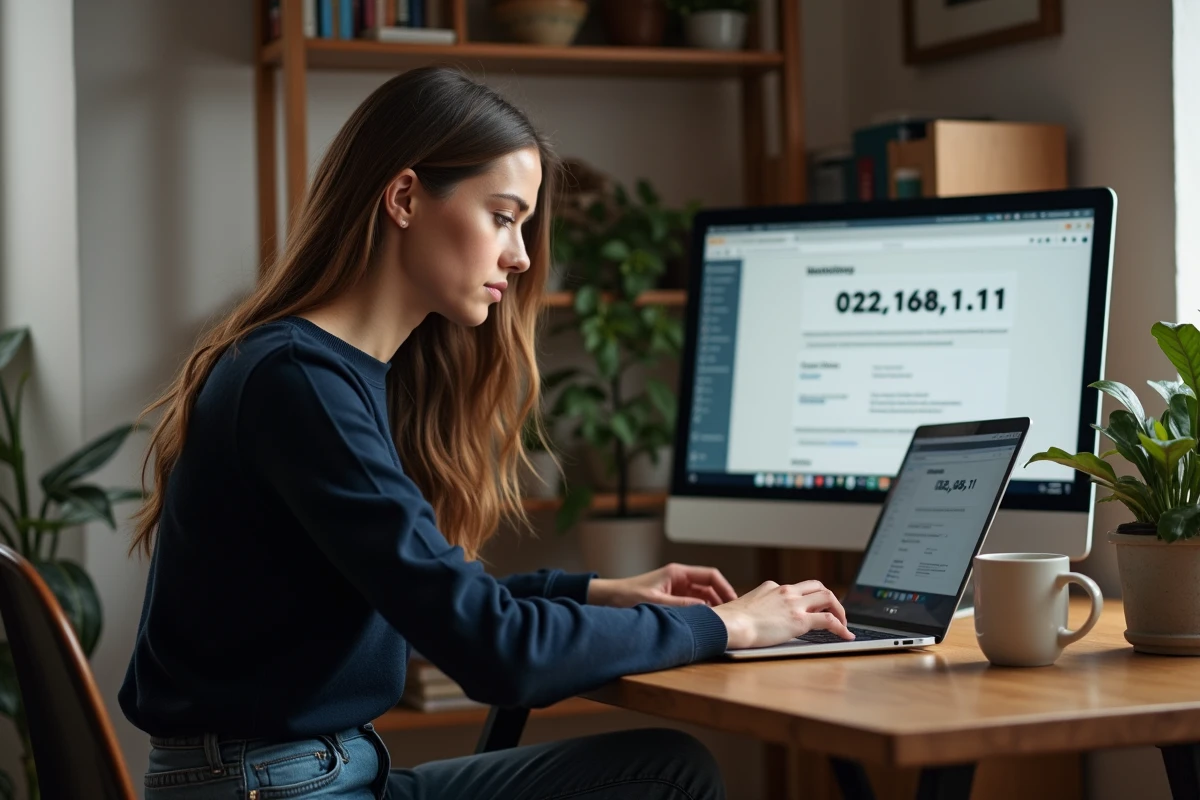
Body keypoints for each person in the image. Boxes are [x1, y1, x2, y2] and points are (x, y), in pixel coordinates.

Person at [119, 66, 854, 800]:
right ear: (404, 198)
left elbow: (428, 595)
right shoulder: (299, 382)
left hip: (304, 772)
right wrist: (728, 627)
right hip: (273, 786)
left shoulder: (331, 373)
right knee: (663, 778)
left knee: (666, 768)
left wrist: (599, 592)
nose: (522, 255)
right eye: (503, 217)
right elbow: (495, 651)